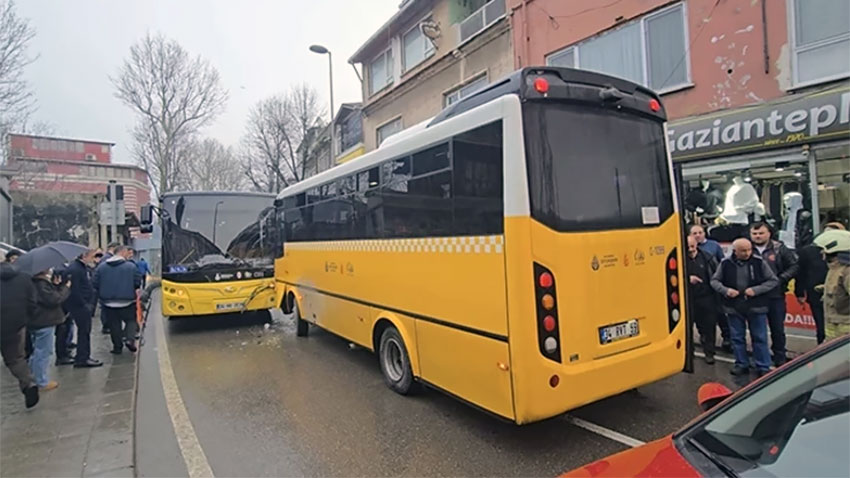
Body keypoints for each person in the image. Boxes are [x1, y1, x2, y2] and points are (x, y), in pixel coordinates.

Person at [711, 238, 779, 377]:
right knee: (737, 337)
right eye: (743, 251)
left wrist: (756, 290)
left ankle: (763, 365)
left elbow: (773, 281)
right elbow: (715, 281)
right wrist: (726, 290)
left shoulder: (759, 262)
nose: (747, 253)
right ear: (735, 251)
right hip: (734, 306)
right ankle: (741, 364)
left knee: (760, 337)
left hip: (756, 305)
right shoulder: (725, 264)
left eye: (749, 249)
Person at [749, 222, 799, 366]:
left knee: (777, 328)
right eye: (754, 234)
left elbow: (794, 266)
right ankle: (760, 358)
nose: (757, 236)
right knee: (757, 331)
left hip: (775, 295)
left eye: (761, 233)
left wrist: (782, 278)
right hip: (755, 296)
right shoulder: (747, 248)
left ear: (769, 233)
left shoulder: (779, 248)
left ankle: (780, 357)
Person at [796, 223, 846, 344]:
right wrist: (800, 292)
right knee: (822, 329)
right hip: (819, 298)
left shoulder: (845, 263)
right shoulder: (809, 252)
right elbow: (801, 272)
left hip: (843, 312)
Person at [0, 261, 40, 408]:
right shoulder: (23, 277)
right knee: (16, 358)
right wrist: (25, 318)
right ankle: (28, 383)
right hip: (16, 324)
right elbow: (32, 302)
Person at [689, 223, 731, 351]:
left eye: (700, 232)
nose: (697, 235)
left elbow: (720, 264)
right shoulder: (684, 251)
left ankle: (725, 340)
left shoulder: (713, 246)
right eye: (694, 233)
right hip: (692, 295)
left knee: (717, 318)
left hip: (710, 292)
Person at [93, 246, 142, 355]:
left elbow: (95, 283)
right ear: (122, 253)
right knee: (130, 321)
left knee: (114, 325)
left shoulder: (101, 267)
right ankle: (130, 339)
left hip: (108, 302)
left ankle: (117, 347)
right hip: (127, 301)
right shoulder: (131, 266)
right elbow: (137, 282)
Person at [29, 269, 71, 390]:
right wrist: (65, 288)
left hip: (34, 320)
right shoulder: (41, 284)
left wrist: (54, 286)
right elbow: (54, 300)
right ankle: (41, 381)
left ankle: (32, 375)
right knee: (43, 351)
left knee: (36, 350)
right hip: (44, 320)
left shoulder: (31, 282)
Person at [63, 249, 102, 368]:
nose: (93, 258)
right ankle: (82, 358)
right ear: (84, 256)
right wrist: (84, 304)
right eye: (91, 256)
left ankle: (84, 356)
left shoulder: (81, 268)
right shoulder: (76, 269)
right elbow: (74, 289)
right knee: (84, 332)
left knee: (85, 331)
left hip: (81, 304)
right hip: (79, 306)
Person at [686, 236, 720, 364]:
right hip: (688, 299)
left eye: (692, 246)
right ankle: (689, 353)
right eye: (688, 246)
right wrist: (687, 279)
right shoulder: (679, 257)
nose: (690, 249)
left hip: (707, 298)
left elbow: (717, 273)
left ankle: (709, 353)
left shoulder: (707, 257)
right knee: (687, 328)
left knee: (708, 327)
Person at [813, 229, 850, 340]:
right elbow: (839, 286)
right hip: (833, 324)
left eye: (823, 250)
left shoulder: (847, 270)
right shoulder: (835, 267)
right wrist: (825, 288)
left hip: (845, 327)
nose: (821, 253)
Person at [97, 242, 120, 334]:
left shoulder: (105, 258)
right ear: (113, 248)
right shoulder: (107, 258)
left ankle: (108, 325)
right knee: (105, 308)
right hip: (106, 287)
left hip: (105, 287)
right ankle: (106, 326)